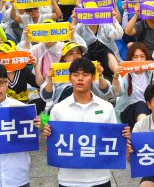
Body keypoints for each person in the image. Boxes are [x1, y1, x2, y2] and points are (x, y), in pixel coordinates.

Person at [44, 57, 124, 187]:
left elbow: (113, 140)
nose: (80, 78)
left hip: (100, 178)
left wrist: (123, 135)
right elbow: (53, 144)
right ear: (70, 78)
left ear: (93, 78)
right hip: (68, 179)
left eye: (85, 75)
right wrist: (48, 134)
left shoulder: (106, 107)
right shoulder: (58, 109)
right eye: (75, 75)